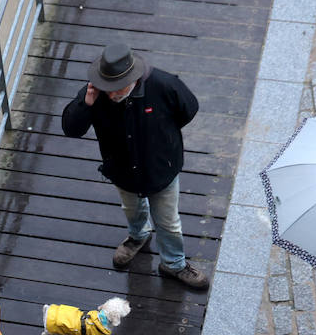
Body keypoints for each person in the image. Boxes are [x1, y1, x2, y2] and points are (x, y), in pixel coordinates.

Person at [61, 42, 207, 289]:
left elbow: (188, 109)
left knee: (169, 222)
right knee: (132, 209)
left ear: (133, 78)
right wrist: (85, 102)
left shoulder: (163, 85)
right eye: (107, 88)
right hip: (122, 170)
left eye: (116, 88)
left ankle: (173, 263)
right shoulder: (95, 93)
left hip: (161, 169)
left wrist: (162, 140)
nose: (111, 94)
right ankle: (138, 236)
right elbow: (71, 129)